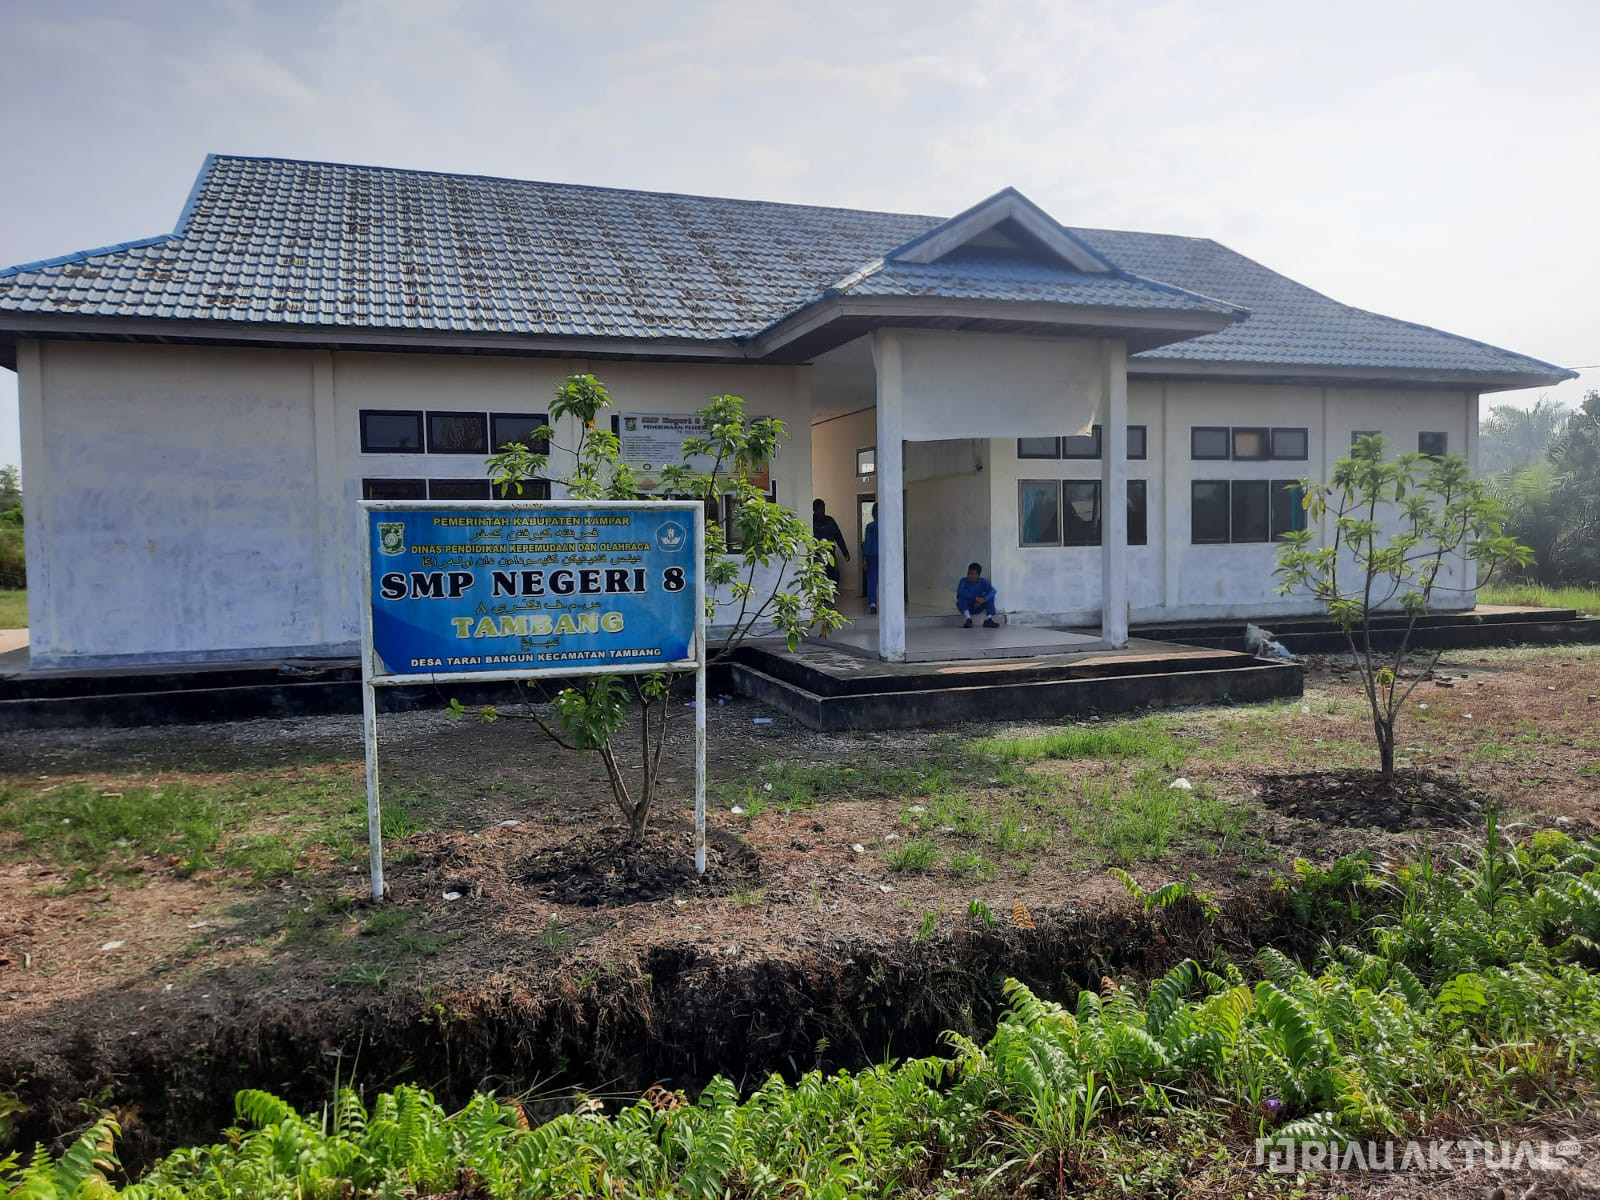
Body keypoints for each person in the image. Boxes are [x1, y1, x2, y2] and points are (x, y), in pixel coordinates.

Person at [811, 498, 849, 588]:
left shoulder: (830, 521)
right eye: (820, 509)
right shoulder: (811, 521)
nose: (822, 511)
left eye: (823, 508)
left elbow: (838, 536)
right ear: (814, 509)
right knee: (818, 576)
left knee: (831, 575)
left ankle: (829, 596)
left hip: (829, 554)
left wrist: (845, 552)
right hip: (816, 555)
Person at [955, 562, 1000, 628]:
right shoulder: (963, 581)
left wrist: (984, 600)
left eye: (972, 574)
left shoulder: (983, 581)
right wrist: (975, 598)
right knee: (961, 596)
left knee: (990, 596)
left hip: (978, 606)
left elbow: (993, 591)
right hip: (966, 607)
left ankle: (988, 620)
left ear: (978, 575)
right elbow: (960, 591)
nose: (970, 576)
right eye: (969, 573)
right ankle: (968, 620)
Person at [862, 503, 879, 614]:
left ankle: (873, 603)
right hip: (886, 556)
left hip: (873, 555)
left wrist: (865, 558)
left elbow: (868, 543)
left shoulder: (870, 527)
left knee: (872, 579)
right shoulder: (888, 525)